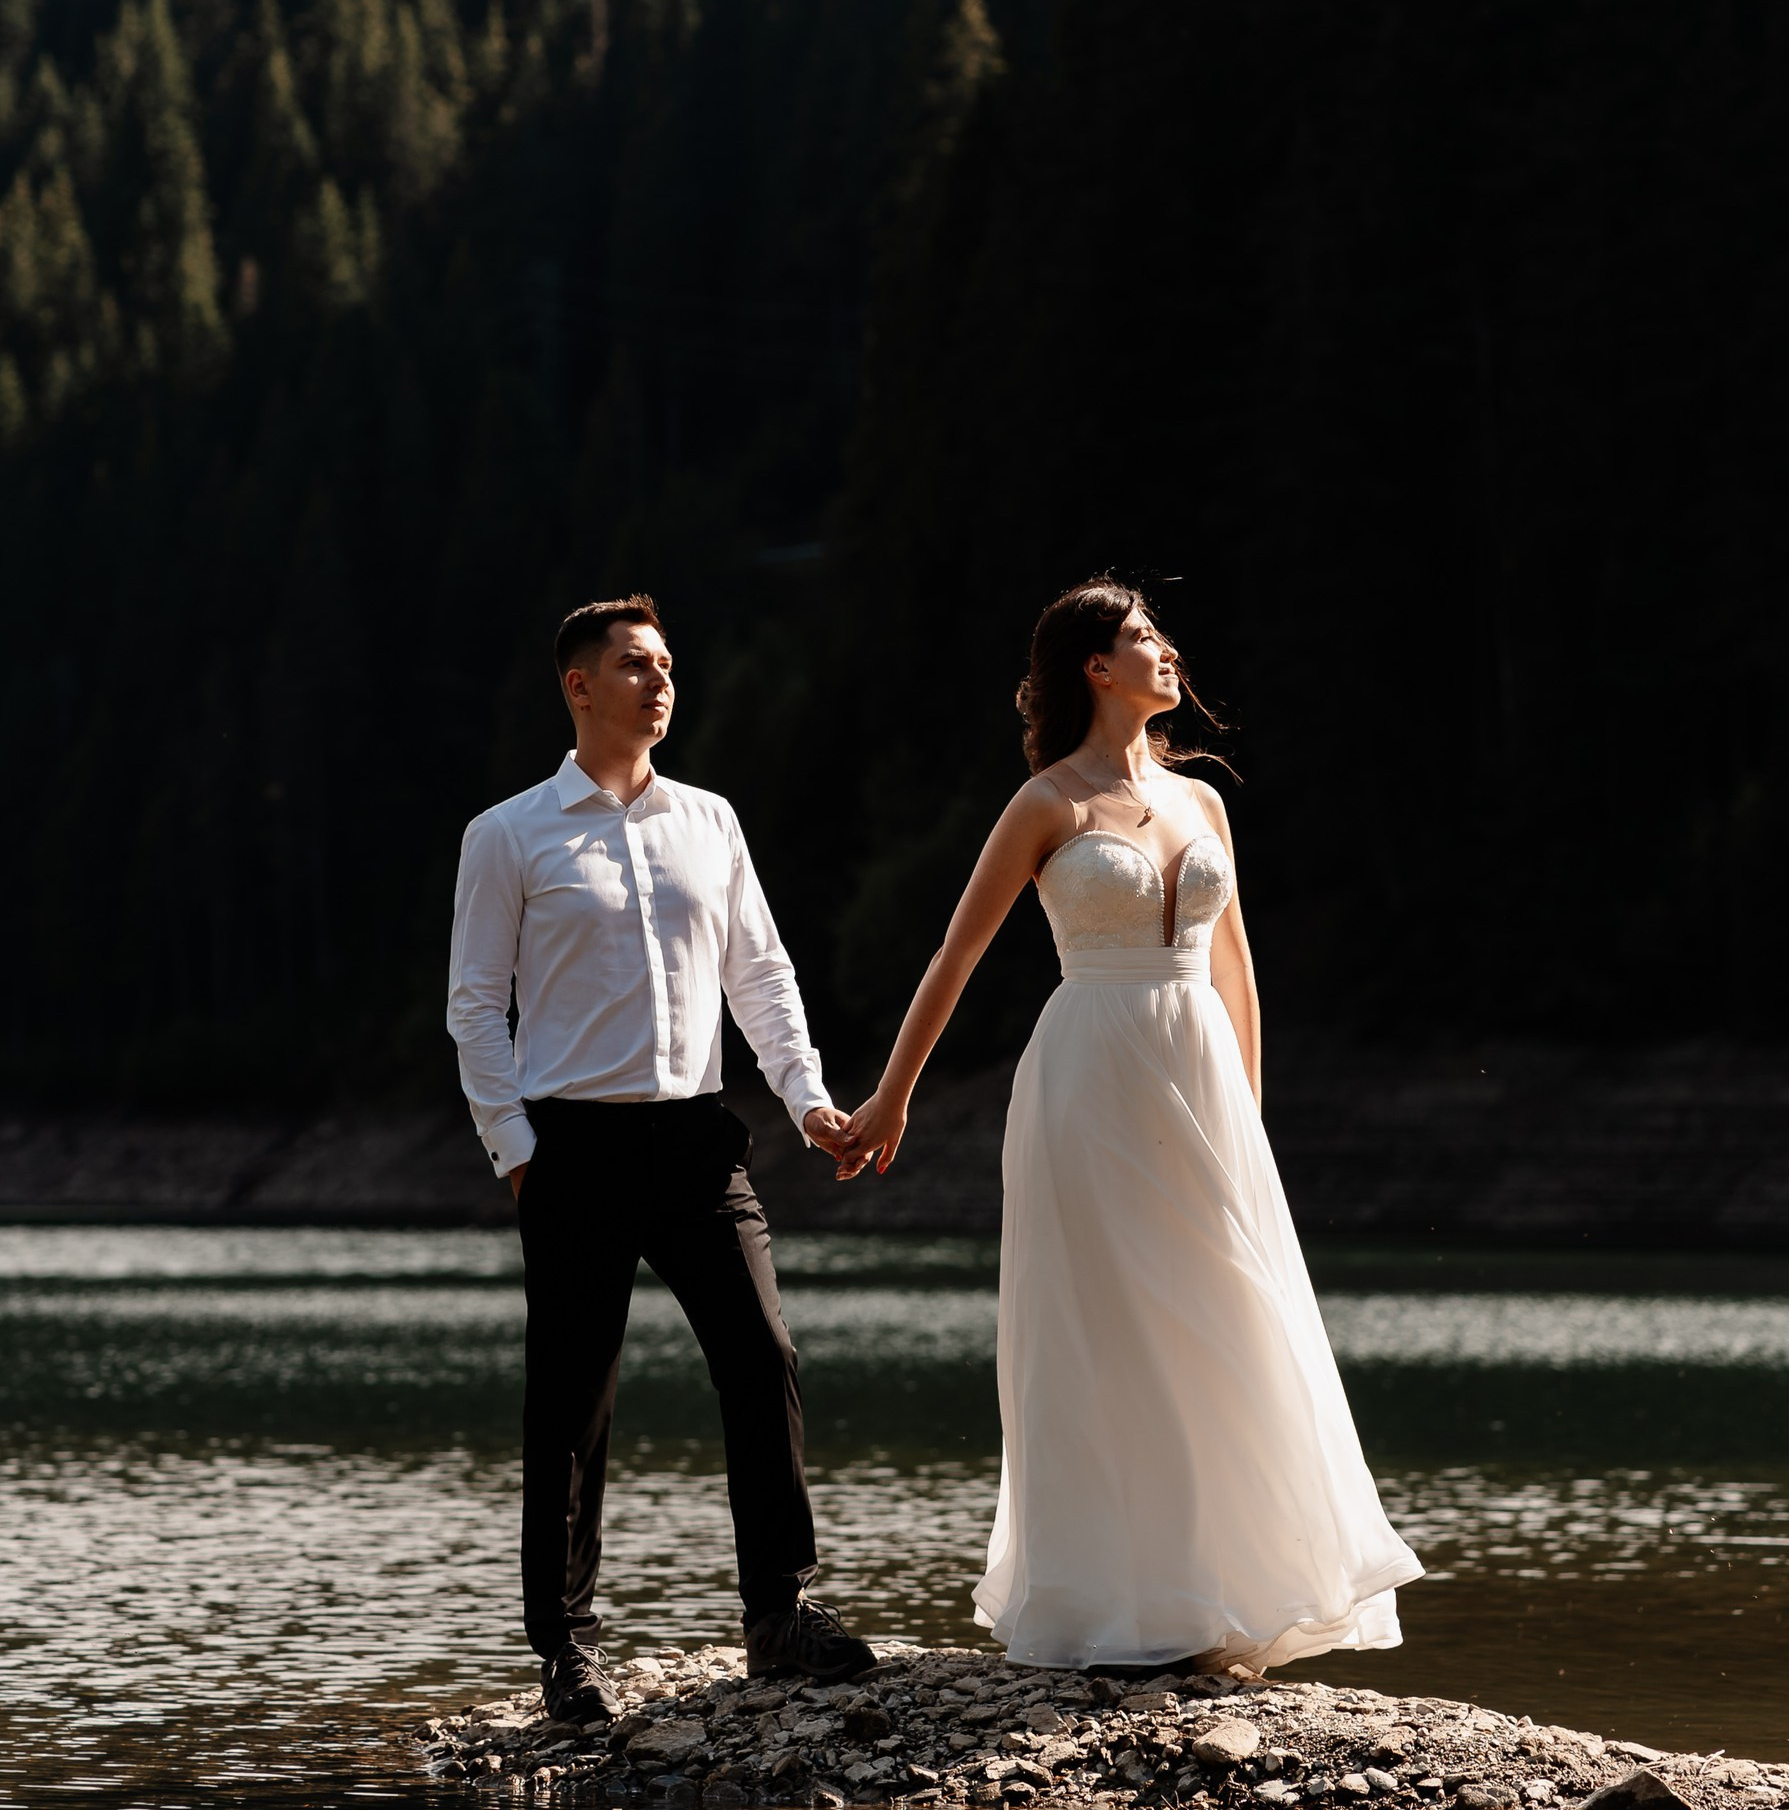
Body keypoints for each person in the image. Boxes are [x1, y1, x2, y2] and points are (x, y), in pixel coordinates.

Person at [835, 577, 1423, 1672]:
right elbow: (953, 955)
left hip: (1196, 1076)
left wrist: (1244, 1119)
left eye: (1158, 634)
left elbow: (1237, 967)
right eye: (1141, 638)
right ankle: (1112, 1606)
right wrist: (890, 1096)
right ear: (1094, 668)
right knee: (1103, 1331)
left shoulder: (1204, 800)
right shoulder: (1045, 803)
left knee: (1220, 1317)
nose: (1166, 652)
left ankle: (1221, 1605)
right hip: (1086, 1074)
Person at [447, 594, 877, 1722]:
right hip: (569, 1146)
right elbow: (474, 1006)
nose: (660, 681)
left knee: (762, 1354)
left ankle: (777, 1615)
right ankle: (566, 1648)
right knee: (572, 1403)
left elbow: (761, 977)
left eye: (668, 665)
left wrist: (809, 1101)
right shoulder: (508, 832)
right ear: (576, 684)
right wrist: (517, 1153)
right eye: (635, 664)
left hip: (697, 1140)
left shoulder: (711, 821)